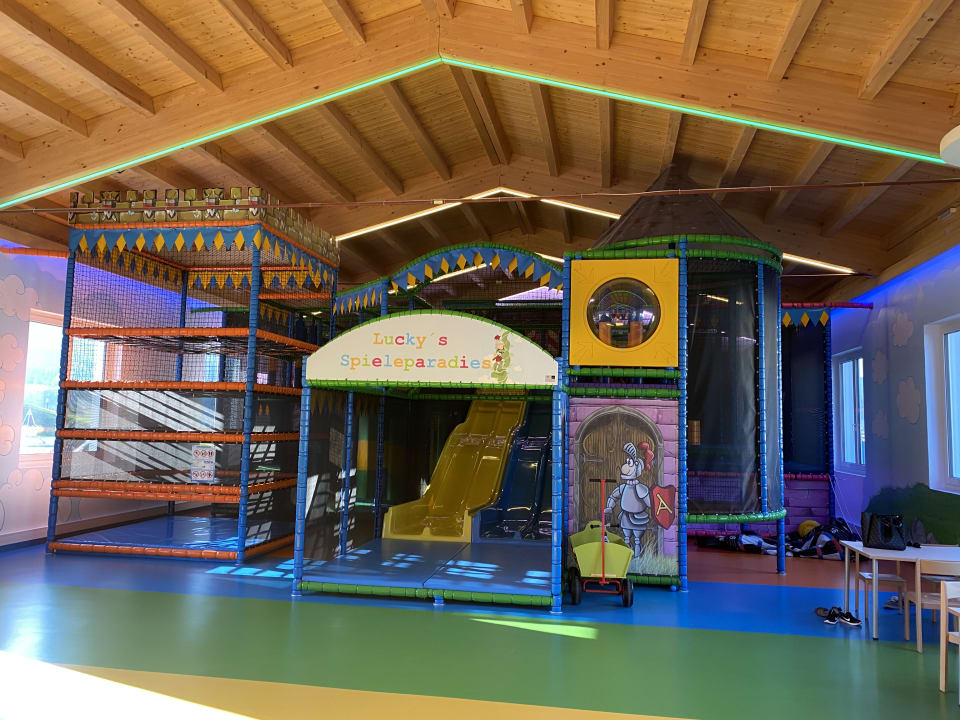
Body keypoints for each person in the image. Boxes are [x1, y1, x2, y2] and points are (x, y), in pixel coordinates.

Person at [604, 441, 653, 557]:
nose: (625, 466)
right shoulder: (623, 487)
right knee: (626, 538)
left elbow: (649, 502)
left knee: (637, 540)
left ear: (637, 467)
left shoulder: (640, 488)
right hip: (625, 516)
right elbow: (614, 496)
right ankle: (626, 558)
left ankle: (637, 557)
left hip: (639, 518)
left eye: (629, 463)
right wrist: (609, 507)